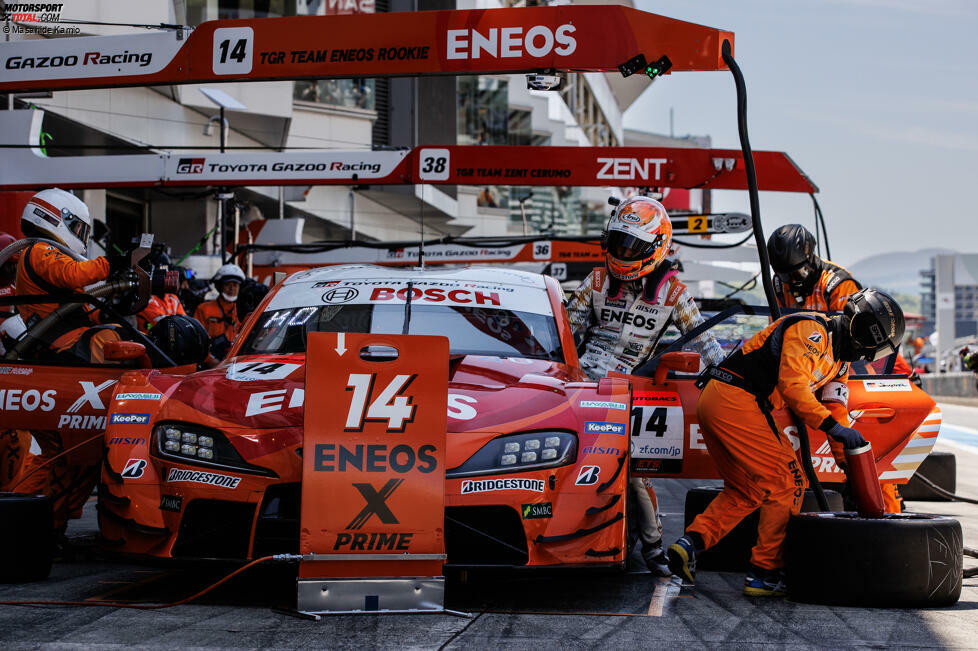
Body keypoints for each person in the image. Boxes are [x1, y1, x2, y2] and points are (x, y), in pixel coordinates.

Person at [668, 288, 905, 597]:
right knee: (788, 482)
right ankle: (764, 573)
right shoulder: (811, 331)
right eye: (877, 349)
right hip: (736, 400)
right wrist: (833, 427)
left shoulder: (840, 364)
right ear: (864, 331)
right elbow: (793, 387)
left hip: (727, 400)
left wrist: (849, 465)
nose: (871, 356)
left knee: (748, 490)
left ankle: (690, 545)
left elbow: (835, 408)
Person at [566, 196, 724, 576]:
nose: (622, 252)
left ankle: (653, 548)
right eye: (618, 242)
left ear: (655, 245)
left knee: (635, 473)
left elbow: (708, 347)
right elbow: (565, 331)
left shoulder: (674, 293)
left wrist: (733, 375)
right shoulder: (598, 279)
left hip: (627, 395)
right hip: (577, 385)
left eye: (632, 246)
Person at [768, 223, 908, 512]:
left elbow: (861, 337)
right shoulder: (778, 282)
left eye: (796, 273)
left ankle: (880, 502)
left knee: (856, 438)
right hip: (803, 363)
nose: (790, 281)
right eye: (784, 275)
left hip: (841, 362)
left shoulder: (838, 284)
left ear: (810, 262)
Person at [15, 188, 128, 362]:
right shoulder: (38, 250)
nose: (81, 237)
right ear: (57, 220)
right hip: (60, 346)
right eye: (78, 228)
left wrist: (113, 310)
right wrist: (113, 263)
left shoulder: (49, 255)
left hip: (70, 341)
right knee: (118, 337)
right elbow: (72, 274)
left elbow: (80, 312)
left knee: (136, 335)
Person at [194, 262, 246, 362]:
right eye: (228, 284)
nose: (232, 288)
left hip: (234, 362)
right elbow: (196, 341)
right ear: (219, 286)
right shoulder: (203, 309)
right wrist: (210, 361)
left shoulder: (241, 311)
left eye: (235, 285)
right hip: (210, 364)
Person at [135, 243, 185, 333]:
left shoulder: (173, 298)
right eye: (162, 270)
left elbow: (185, 323)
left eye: (167, 270)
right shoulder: (144, 300)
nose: (167, 275)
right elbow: (168, 327)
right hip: (151, 345)